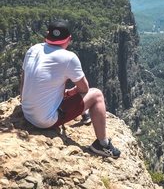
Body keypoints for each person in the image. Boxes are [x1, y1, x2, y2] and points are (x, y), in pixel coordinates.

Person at [20, 19, 121, 158]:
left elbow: (24, 81)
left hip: (26, 111)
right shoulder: (69, 58)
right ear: (69, 39)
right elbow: (84, 89)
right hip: (43, 121)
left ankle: (82, 112)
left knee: (60, 79)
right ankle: (102, 144)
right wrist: (72, 93)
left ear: (47, 35)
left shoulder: (33, 49)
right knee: (96, 95)